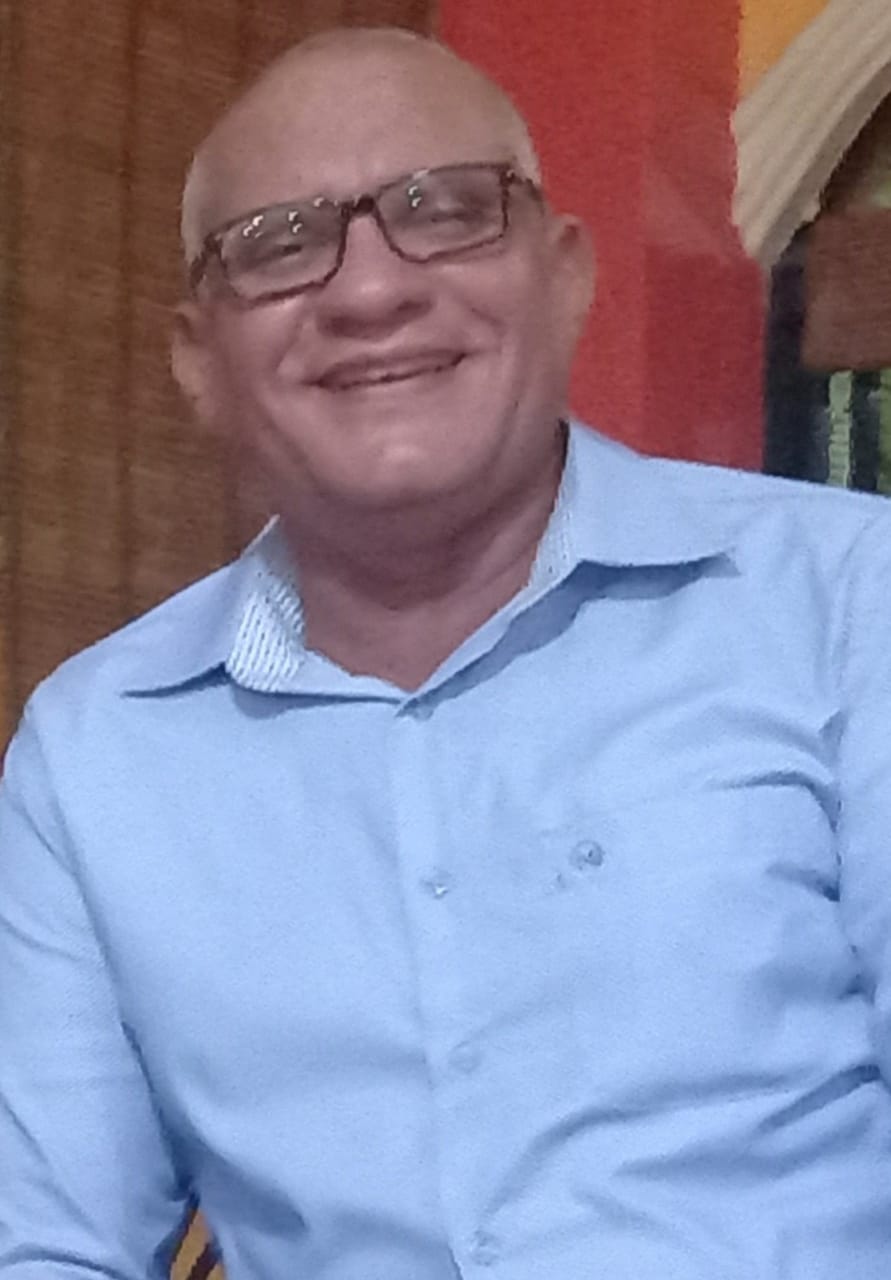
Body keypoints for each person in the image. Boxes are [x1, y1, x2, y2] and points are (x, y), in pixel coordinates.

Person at [2, 24, 891, 1280]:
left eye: (447, 209)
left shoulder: (847, 604)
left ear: (566, 275)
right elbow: (48, 1244)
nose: (370, 292)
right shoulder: (97, 749)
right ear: (198, 362)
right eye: (279, 244)